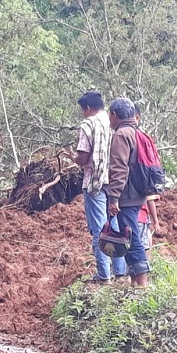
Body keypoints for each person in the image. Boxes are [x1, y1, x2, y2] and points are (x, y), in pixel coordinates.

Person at [105, 97, 150, 287]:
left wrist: (113, 197)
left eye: (109, 115)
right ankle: (135, 282)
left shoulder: (122, 134)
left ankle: (142, 284)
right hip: (137, 193)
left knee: (131, 237)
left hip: (127, 196)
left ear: (114, 115)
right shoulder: (137, 132)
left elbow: (119, 168)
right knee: (129, 236)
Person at [70, 91, 112, 283]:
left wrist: (73, 158)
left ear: (87, 108)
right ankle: (119, 271)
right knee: (114, 226)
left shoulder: (89, 124)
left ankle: (103, 275)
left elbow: (83, 157)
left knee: (98, 228)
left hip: (94, 181)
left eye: (83, 110)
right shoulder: (112, 121)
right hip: (113, 181)